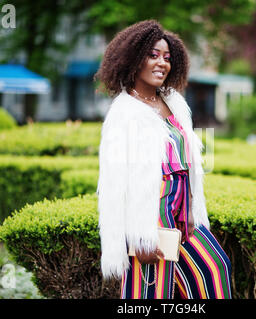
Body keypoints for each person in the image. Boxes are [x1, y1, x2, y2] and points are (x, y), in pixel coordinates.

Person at [95, 20, 232, 299]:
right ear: (134, 60)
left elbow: (189, 164)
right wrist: (136, 235)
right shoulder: (124, 114)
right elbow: (112, 185)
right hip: (150, 216)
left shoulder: (174, 103)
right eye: (153, 55)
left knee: (215, 269)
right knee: (151, 292)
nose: (162, 63)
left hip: (181, 211)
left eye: (167, 58)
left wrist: (193, 208)